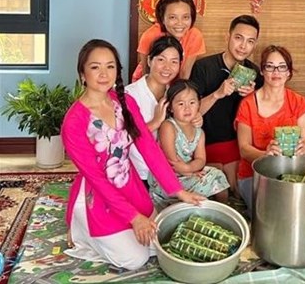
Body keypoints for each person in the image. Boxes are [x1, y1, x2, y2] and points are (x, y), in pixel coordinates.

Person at [62, 39, 204, 271]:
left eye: (110, 66)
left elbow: (148, 146)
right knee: (134, 259)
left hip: (130, 186)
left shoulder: (124, 102)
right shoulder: (74, 121)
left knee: (157, 244)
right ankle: (83, 231)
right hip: (97, 196)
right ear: (82, 73)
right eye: (95, 67)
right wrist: (134, 218)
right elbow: (97, 178)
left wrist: (178, 191)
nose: (104, 74)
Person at [189, 15, 263, 196]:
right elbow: (190, 114)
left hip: (238, 145)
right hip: (204, 144)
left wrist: (253, 98)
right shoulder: (203, 67)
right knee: (219, 193)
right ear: (227, 37)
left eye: (250, 41)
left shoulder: (256, 75)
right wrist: (217, 94)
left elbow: (261, 120)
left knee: (239, 192)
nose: (243, 46)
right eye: (238, 38)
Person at [235, 45, 305, 213]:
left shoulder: (298, 102)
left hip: (290, 171)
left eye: (282, 67)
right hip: (253, 175)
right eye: (270, 66)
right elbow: (244, 149)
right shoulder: (248, 104)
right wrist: (265, 154)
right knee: (276, 210)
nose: (276, 72)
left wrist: (303, 147)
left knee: (299, 207)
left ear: (288, 72)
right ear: (262, 71)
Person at [149, 79, 230, 204]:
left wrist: (190, 168)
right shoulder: (168, 126)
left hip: (188, 172)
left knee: (218, 174)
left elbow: (201, 159)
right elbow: (172, 161)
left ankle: (223, 207)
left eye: (192, 102)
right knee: (206, 181)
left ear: (199, 103)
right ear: (170, 107)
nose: (187, 108)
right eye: (180, 104)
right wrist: (190, 172)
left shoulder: (199, 132)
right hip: (168, 177)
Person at [126, 35, 183, 188]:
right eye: (161, 60)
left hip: (170, 170)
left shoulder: (176, 94)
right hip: (140, 174)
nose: (167, 67)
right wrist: (155, 122)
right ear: (150, 61)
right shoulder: (130, 94)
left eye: (174, 62)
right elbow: (122, 137)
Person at [132, 0, 206, 82]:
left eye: (185, 17)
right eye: (172, 17)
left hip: (175, 84)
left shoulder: (195, 36)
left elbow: (185, 73)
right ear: (162, 18)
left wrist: (175, 93)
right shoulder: (150, 36)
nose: (180, 23)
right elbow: (146, 72)